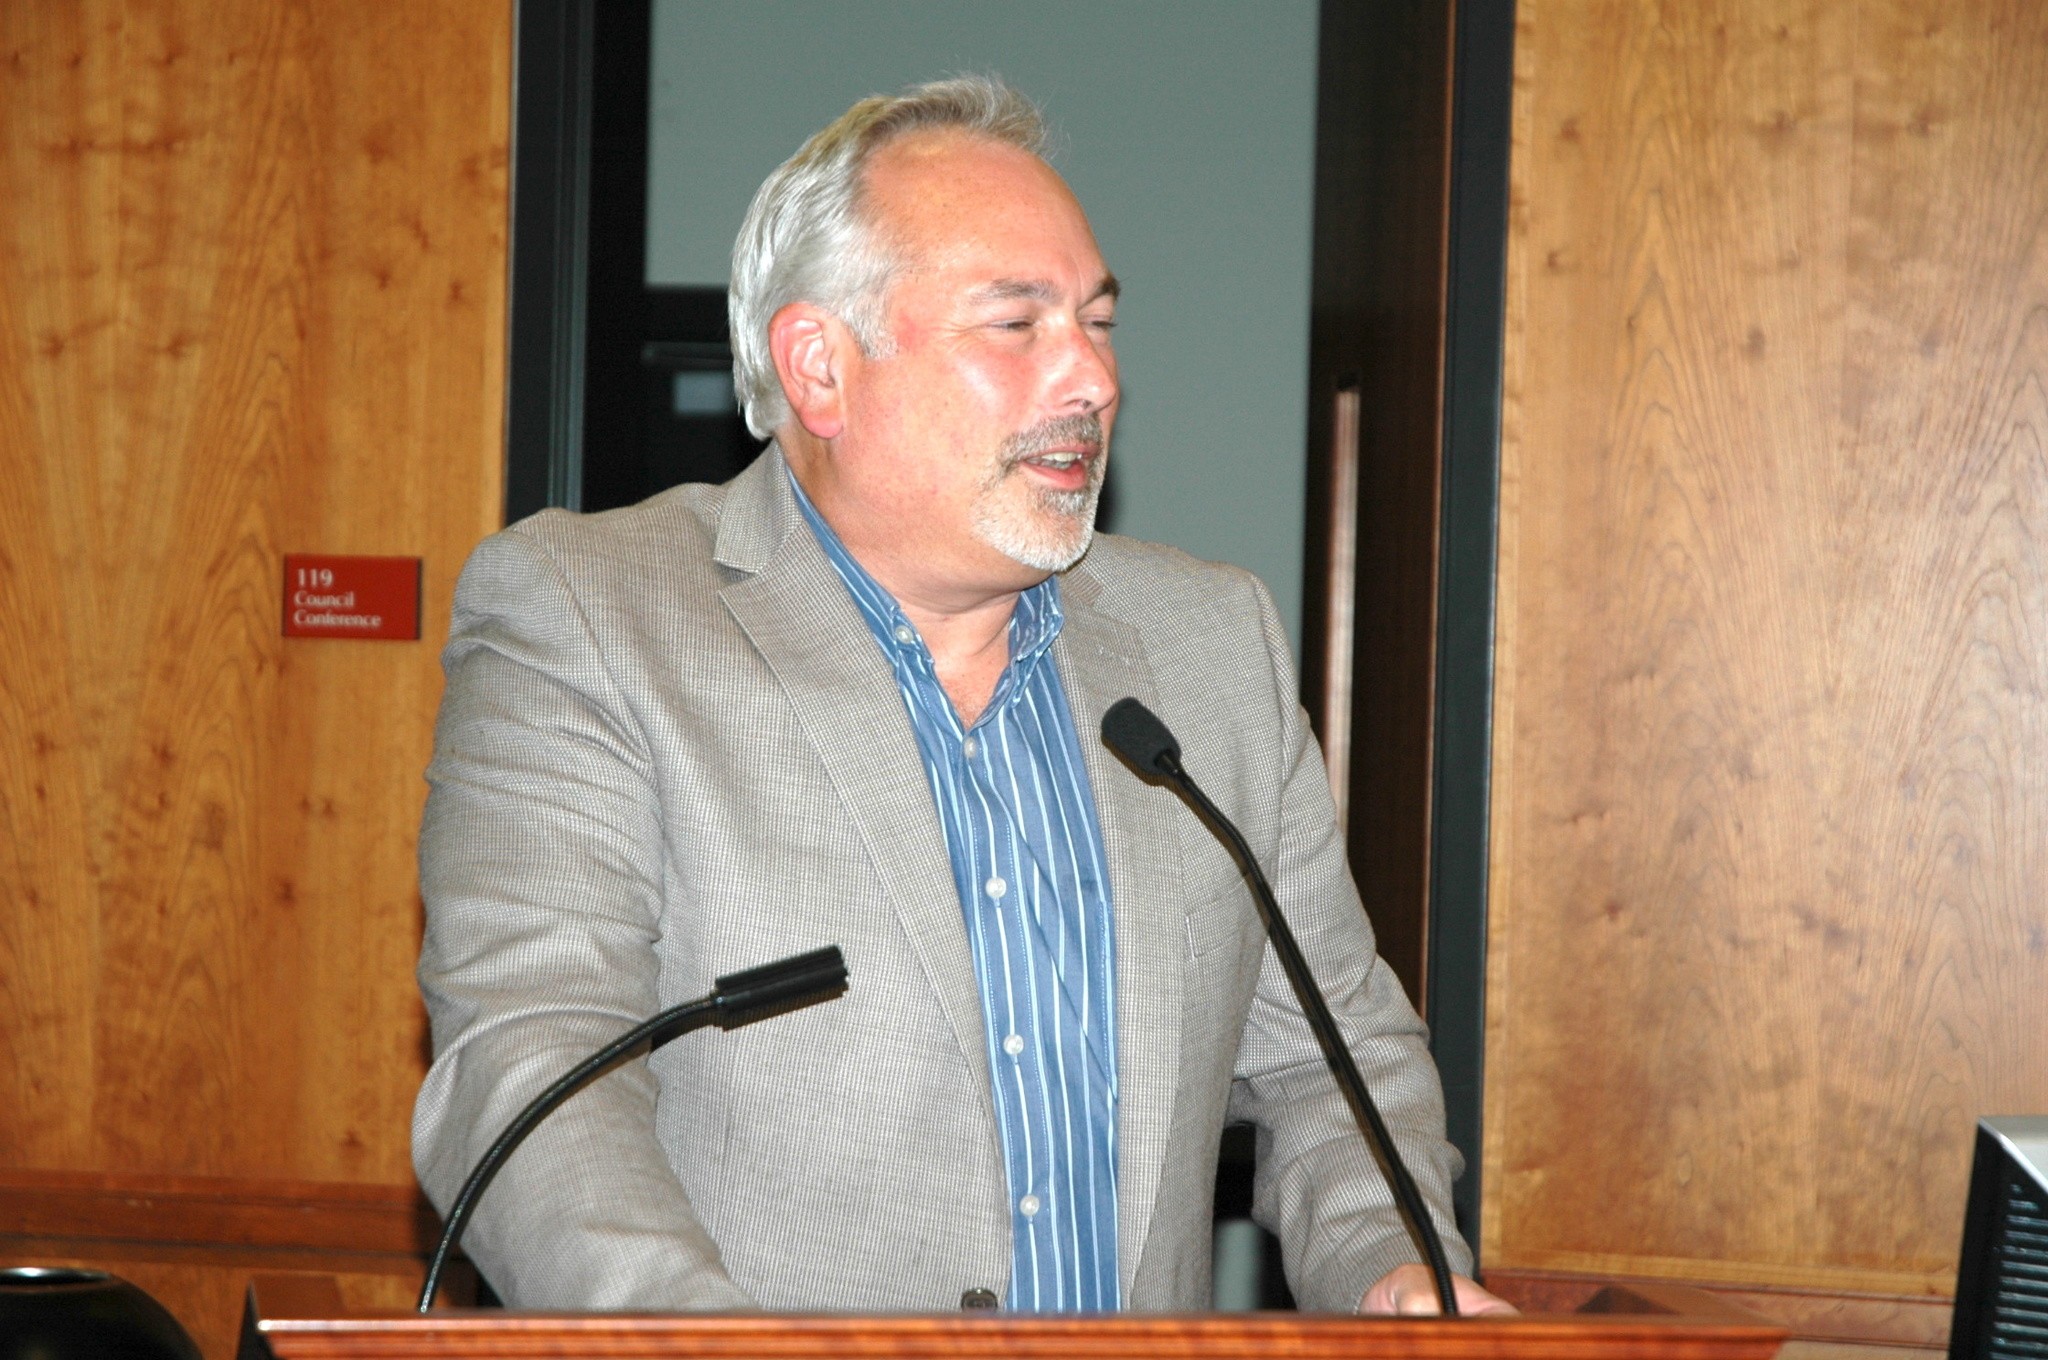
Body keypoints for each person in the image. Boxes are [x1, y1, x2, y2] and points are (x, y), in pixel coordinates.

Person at [412, 75, 1510, 1317]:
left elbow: (1334, 1058)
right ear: (819, 367)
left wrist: (1394, 1269)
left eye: (1097, 322)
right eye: (1018, 324)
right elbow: (530, 1061)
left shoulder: (1212, 645)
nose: (1091, 379)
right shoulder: (589, 615)